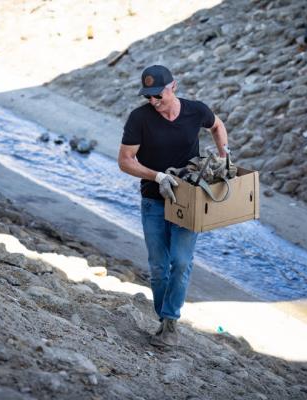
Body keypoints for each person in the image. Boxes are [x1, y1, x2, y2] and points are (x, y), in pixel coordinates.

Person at [118, 65, 229, 347]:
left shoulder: (195, 111)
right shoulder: (139, 119)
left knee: (180, 262)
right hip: (153, 200)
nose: (153, 101)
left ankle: (170, 323)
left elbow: (216, 124)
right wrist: (158, 176)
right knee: (158, 267)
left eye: (158, 95)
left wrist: (224, 154)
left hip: (188, 200)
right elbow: (125, 160)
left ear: (173, 86)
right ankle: (164, 320)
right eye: (148, 97)